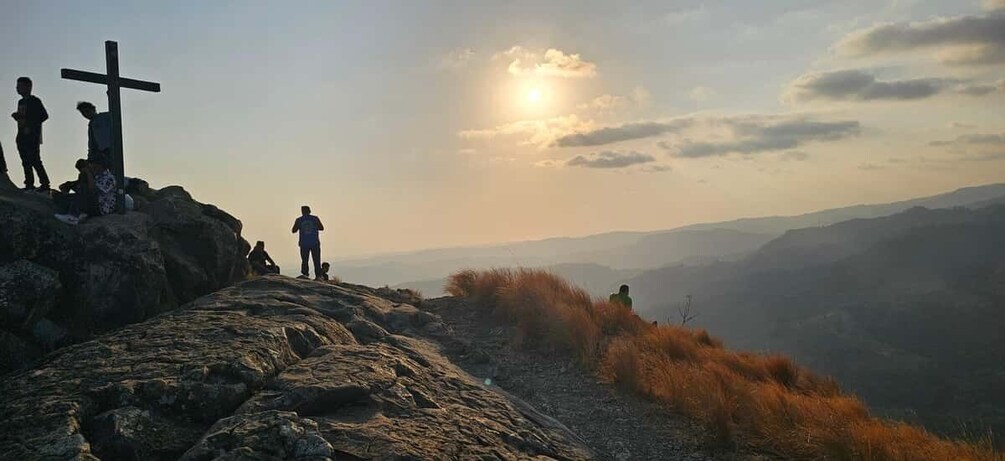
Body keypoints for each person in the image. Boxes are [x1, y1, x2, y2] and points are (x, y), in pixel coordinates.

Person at [11, 77, 50, 192]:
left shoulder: (35, 101)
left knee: (35, 160)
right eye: (17, 86)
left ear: (28, 87)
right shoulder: (21, 102)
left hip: (32, 136)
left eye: (20, 86)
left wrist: (31, 125)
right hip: (21, 134)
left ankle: (45, 184)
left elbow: (44, 116)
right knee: (25, 161)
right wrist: (18, 116)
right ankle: (29, 183)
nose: (17, 89)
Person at [53, 156, 116, 225]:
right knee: (62, 197)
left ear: (99, 165)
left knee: (83, 190)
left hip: (101, 207)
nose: (90, 165)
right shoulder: (96, 176)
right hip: (92, 202)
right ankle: (81, 214)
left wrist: (88, 174)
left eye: (92, 163)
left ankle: (73, 216)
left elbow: (92, 191)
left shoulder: (109, 178)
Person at [291, 205, 324, 280]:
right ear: (309, 211)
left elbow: (293, 230)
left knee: (304, 260)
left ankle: (305, 275)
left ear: (302, 212)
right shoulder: (315, 218)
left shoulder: (299, 220)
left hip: (304, 243)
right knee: (316, 260)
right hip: (315, 242)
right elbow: (321, 228)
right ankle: (318, 276)